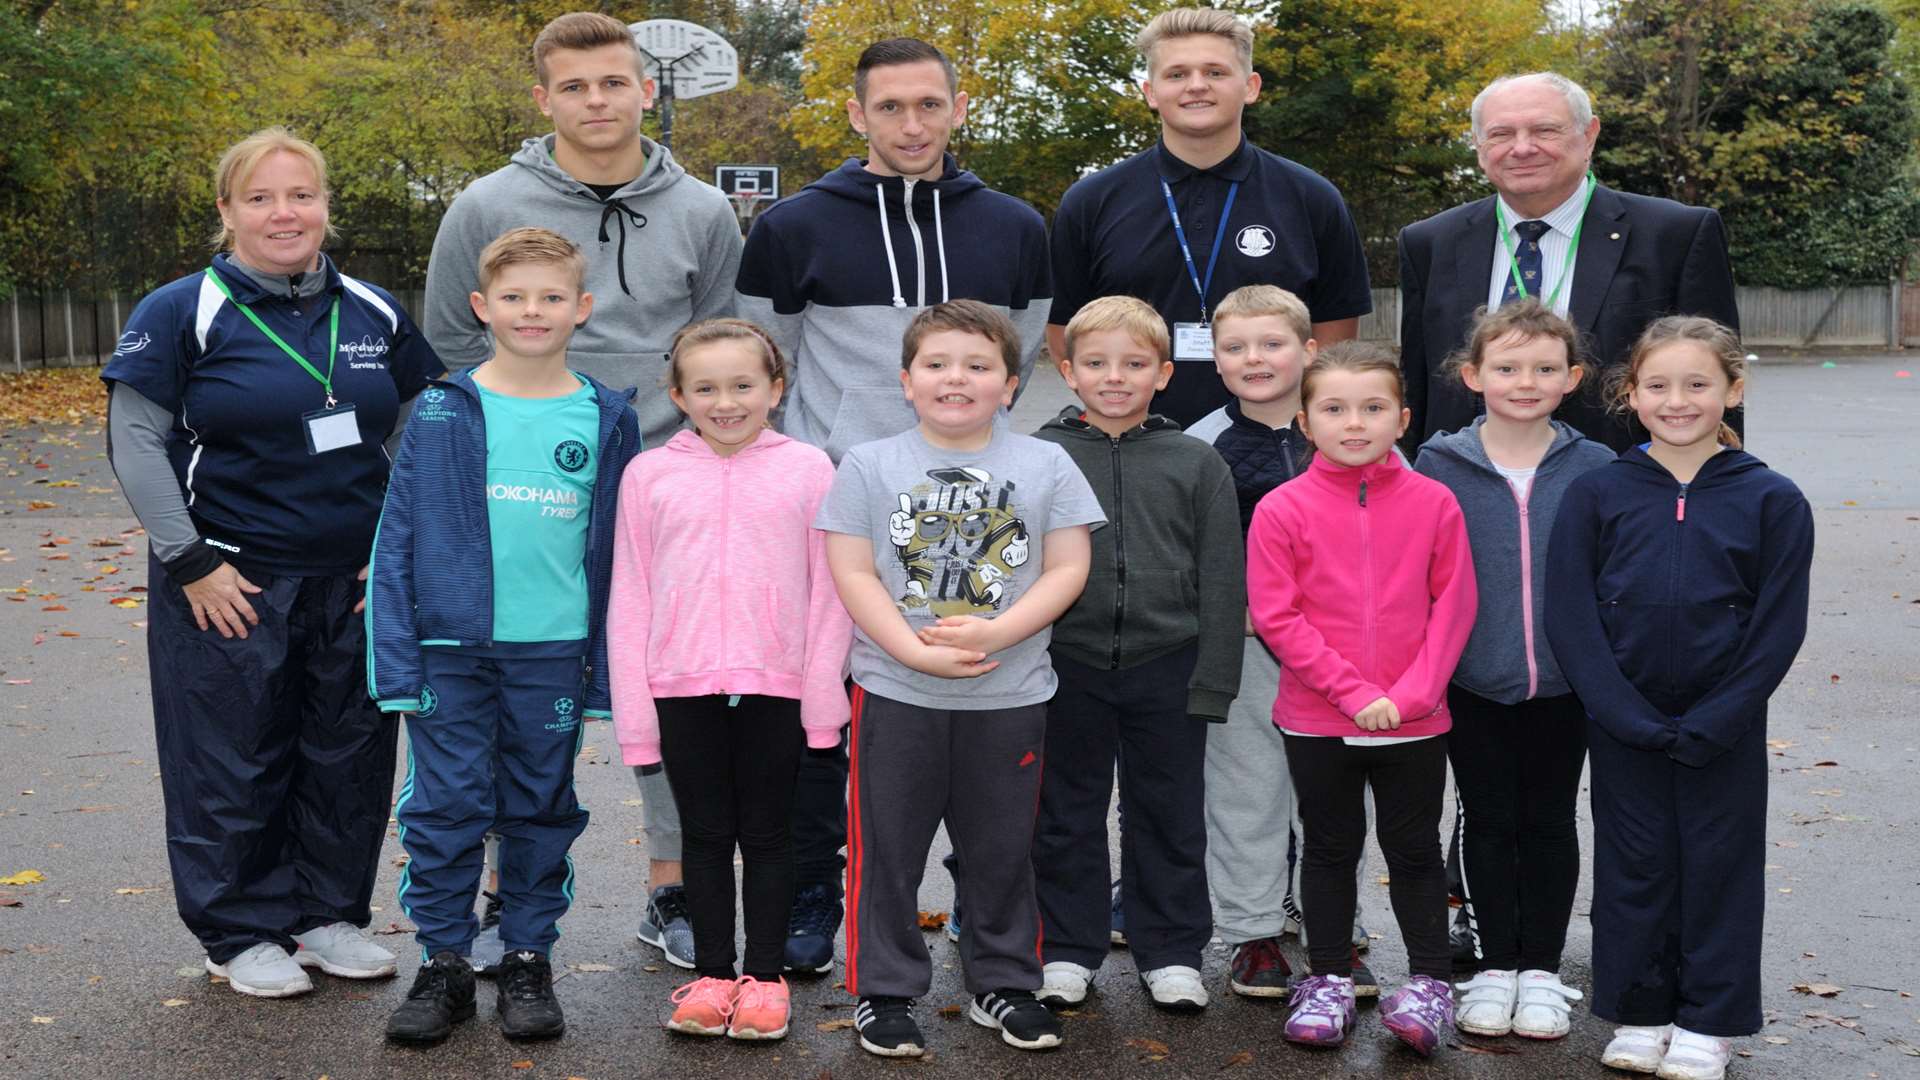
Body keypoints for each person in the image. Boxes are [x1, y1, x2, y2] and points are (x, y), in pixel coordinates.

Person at [422, 9, 741, 969]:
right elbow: (447, 340)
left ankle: (671, 890)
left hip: (665, 486)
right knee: (515, 695)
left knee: (671, 693)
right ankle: (497, 900)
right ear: (544, 97)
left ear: (647, 87)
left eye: (614, 82)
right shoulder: (485, 205)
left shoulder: (704, 211)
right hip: (529, 491)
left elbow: (715, 350)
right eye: (575, 86)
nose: (596, 101)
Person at [733, 36, 1053, 973]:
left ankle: (981, 915)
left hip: (976, 519)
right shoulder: (792, 227)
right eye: (889, 108)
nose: (910, 125)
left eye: (928, 105)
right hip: (846, 514)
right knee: (826, 720)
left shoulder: (1014, 227)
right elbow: (770, 368)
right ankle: (807, 905)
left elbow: (1018, 358)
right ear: (856, 114)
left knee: (970, 715)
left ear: (958, 108)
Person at [102, 127, 440, 1000]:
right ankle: (240, 931)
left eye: (301, 195)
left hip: (355, 581)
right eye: (260, 198)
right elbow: (136, 442)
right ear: (227, 211)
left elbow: (416, 431)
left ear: (327, 205)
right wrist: (190, 561)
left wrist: (395, 552)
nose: (283, 213)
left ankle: (329, 915)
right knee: (232, 757)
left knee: (349, 752)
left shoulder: (373, 309)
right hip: (232, 579)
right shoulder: (180, 310)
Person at [367, 228, 640, 1043]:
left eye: (552, 297)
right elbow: (398, 536)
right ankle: (444, 962)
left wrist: (608, 668)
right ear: (483, 307)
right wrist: (397, 656)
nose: (533, 311)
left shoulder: (605, 415)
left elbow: (622, 547)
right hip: (451, 652)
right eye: (515, 297)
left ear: (581, 309)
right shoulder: (446, 409)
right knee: (445, 808)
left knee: (538, 806)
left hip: (551, 651)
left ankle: (525, 958)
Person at [815, 300, 1102, 1058]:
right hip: (895, 692)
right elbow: (850, 569)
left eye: (978, 366)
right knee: (888, 848)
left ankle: (1004, 980)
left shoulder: (1046, 464)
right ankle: (884, 990)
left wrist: (1001, 631)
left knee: (1003, 846)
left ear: (1011, 383)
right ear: (906, 380)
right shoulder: (869, 465)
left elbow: (1069, 565)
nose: (956, 379)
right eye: (937, 364)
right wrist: (910, 652)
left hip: (1010, 694)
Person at [1546, 318, 1813, 1080]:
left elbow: (1777, 623)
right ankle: (1640, 1010)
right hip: (1621, 718)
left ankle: (1709, 1022)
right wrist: (1617, 711)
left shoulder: (1772, 499)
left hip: (1721, 724)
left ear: (1733, 390)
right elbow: (1570, 611)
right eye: (1658, 385)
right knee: (1635, 865)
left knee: (1720, 865)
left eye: (1698, 384)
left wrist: (1723, 715)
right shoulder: (1599, 492)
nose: (1678, 400)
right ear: (1630, 394)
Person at [607, 319, 853, 1042]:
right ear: (678, 394)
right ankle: (714, 976)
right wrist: (636, 713)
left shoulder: (810, 469)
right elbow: (631, 596)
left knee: (772, 836)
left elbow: (829, 593)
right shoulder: (648, 475)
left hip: (777, 686)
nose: (726, 401)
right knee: (705, 836)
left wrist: (820, 697)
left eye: (743, 385)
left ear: (775, 390)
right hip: (680, 687)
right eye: (705, 387)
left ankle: (767, 979)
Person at [1246, 343, 1476, 1056]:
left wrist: (1410, 695)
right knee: (1329, 849)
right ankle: (1328, 980)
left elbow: (1455, 604)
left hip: (1416, 720)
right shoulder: (1282, 509)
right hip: (1318, 717)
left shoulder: (1435, 502)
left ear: (1401, 418)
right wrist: (1351, 692)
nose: (1355, 423)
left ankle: (1432, 985)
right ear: (1306, 423)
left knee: (1413, 851)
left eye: (1373, 408)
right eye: (1335, 409)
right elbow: (1276, 616)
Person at [1028, 296, 1242, 1013]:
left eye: (1133, 363)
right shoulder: (1040, 455)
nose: (1114, 377)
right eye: (1096, 363)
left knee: (1170, 812)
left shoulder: (1195, 461)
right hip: (1067, 665)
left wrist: (1213, 680)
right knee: (1065, 813)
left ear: (1164, 374)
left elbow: (1221, 577)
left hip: (1168, 663)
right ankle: (1066, 947)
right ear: (1068, 371)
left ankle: (1172, 950)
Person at [1411, 300, 1614, 1040]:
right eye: (1507, 367)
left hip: (1568, 683)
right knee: (1488, 820)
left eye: (1544, 368)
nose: (1524, 381)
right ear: (1473, 375)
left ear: (1572, 378)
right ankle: (1495, 967)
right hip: (1472, 679)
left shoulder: (1596, 467)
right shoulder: (1437, 464)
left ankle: (1542, 971)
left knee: (1552, 821)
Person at [1048, 7, 1372, 429]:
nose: (1196, 86)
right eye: (1177, 74)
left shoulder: (1312, 198)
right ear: (1151, 91)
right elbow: (1064, 333)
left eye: (1216, 72)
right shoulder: (1090, 201)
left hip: (1274, 444)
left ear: (1250, 87)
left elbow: (1334, 335)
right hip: (1135, 444)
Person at [1186, 285, 1377, 1000]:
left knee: (1332, 799)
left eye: (1271, 343)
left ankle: (1336, 930)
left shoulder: (1351, 431)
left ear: (1310, 349)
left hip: (1344, 660)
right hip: (1244, 653)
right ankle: (1253, 933)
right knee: (1245, 793)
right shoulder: (1198, 444)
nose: (1253, 359)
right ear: (1215, 355)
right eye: (1234, 346)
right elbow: (1190, 554)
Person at [1398, 71, 1741, 454]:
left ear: (1589, 135)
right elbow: (1416, 388)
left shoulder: (1676, 235)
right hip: (1464, 493)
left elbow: (1718, 377)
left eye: (1545, 130)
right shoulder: (1429, 242)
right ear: (1479, 144)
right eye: (1501, 134)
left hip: (1628, 491)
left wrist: (1717, 487)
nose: (1523, 148)